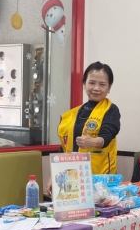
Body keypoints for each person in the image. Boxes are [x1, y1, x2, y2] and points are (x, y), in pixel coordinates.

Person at [45, 62, 120, 197]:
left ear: (109, 87)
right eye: (92, 83)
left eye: (102, 84)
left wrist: (93, 142)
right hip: (71, 180)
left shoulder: (111, 110)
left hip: (100, 182)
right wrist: (54, 175)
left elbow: (108, 134)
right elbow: (64, 149)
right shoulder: (70, 115)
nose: (96, 88)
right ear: (84, 84)